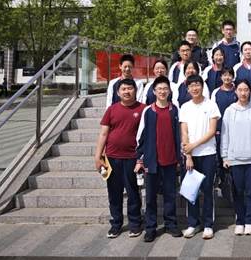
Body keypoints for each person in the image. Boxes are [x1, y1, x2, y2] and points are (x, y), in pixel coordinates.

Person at [94, 79, 145, 238]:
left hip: (132, 158)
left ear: (135, 90)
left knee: (133, 192)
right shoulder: (112, 109)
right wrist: (98, 156)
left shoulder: (143, 109)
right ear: (118, 92)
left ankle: (135, 224)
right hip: (112, 158)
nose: (127, 91)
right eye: (123, 89)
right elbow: (103, 133)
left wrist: (142, 158)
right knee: (114, 193)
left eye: (130, 88)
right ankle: (116, 224)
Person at [135, 76, 182, 242]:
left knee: (170, 195)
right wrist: (140, 159)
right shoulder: (148, 111)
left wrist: (179, 157)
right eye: (159, 89)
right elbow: (140, 136)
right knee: (150, 198)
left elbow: (179, 135)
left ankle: (171, 224)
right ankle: (150, 228)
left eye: (165, 88)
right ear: (154, 91)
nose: (162, 91)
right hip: (152, 161)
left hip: (170, 160)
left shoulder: (175, 110)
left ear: (169, 91)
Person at [179, 74, 221, 240]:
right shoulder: (185, 107)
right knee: (191, 190)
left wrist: (193, 145)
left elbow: (212, 131)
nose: (195, 88)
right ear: (188, 89)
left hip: (208, 153)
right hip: (191, 156)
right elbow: (184, 132)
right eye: (192, 86)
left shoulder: (211, 105)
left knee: (208, 189)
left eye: (197, 85)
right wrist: (188, 155)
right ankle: (193, 223)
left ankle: (208, 224)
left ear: (202, 87)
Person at [220, 79, 251, 236]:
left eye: (246, 90)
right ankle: (240, 220)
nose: (243, 93)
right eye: (240, 90)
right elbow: (225, 135)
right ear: (235, 91)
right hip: (234, 158)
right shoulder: (229, 111)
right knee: (237, 191)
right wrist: (225, 156)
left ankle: (249, 220)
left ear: (250, 91)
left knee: (250, 191)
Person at [211, 67, 238, 194]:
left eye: (229, 75)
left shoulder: (238, 91)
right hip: (219, 130)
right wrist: (215, 129)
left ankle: (234, 185)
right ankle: (223, 184)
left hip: (235, 130)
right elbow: (212, 113)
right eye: (224, 75)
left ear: (233, 76)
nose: (227, 78)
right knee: (221, 158)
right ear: (221, 77)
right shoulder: (216, 92)